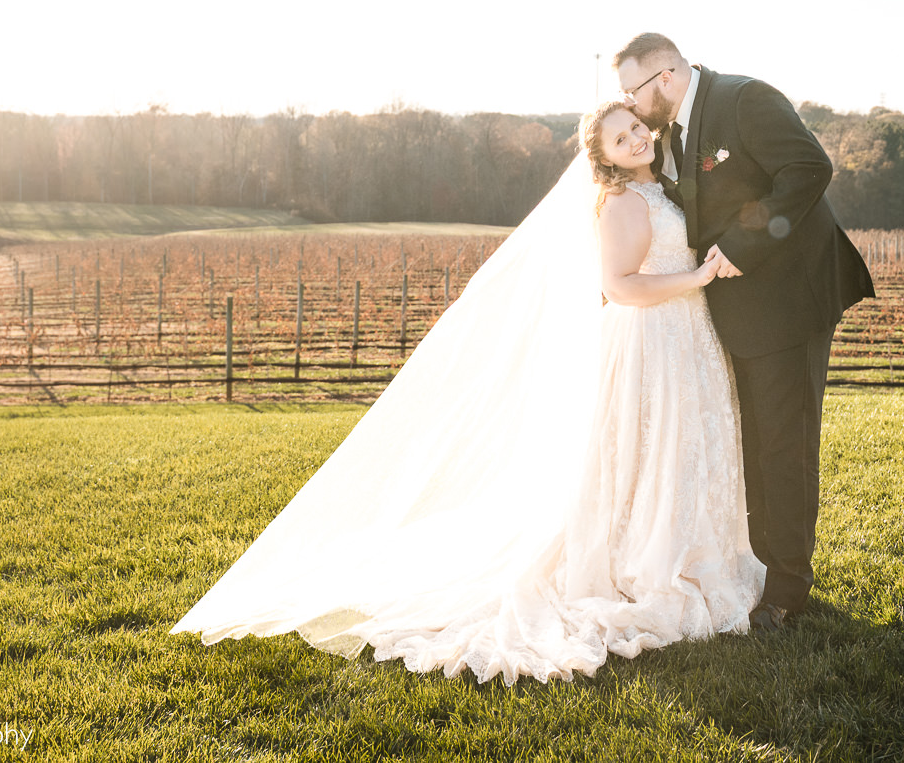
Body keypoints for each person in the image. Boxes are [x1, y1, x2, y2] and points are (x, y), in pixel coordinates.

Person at [171, 101, 764, 684]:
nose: (636, 138)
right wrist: (698, 277)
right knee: (649, 450)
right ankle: (645, 564)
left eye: (636, 127)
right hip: (650, 341)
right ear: (603, 159)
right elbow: (620, 287)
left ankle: (686, 553)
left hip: (684, 336)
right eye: (619, 138)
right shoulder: (623, 202)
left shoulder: (659, 189)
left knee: (676, 452)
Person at [611, 33, 875, 632]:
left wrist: (744, 242)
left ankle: (787, 591)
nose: (630, 101)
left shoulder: (745, 100)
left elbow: (809, 169)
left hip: (789, 299)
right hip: (734, 311)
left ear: (668, 76)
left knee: (784, 442)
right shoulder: (670, 134)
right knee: (752, 440)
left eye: (634, 88)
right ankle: (757, 566)